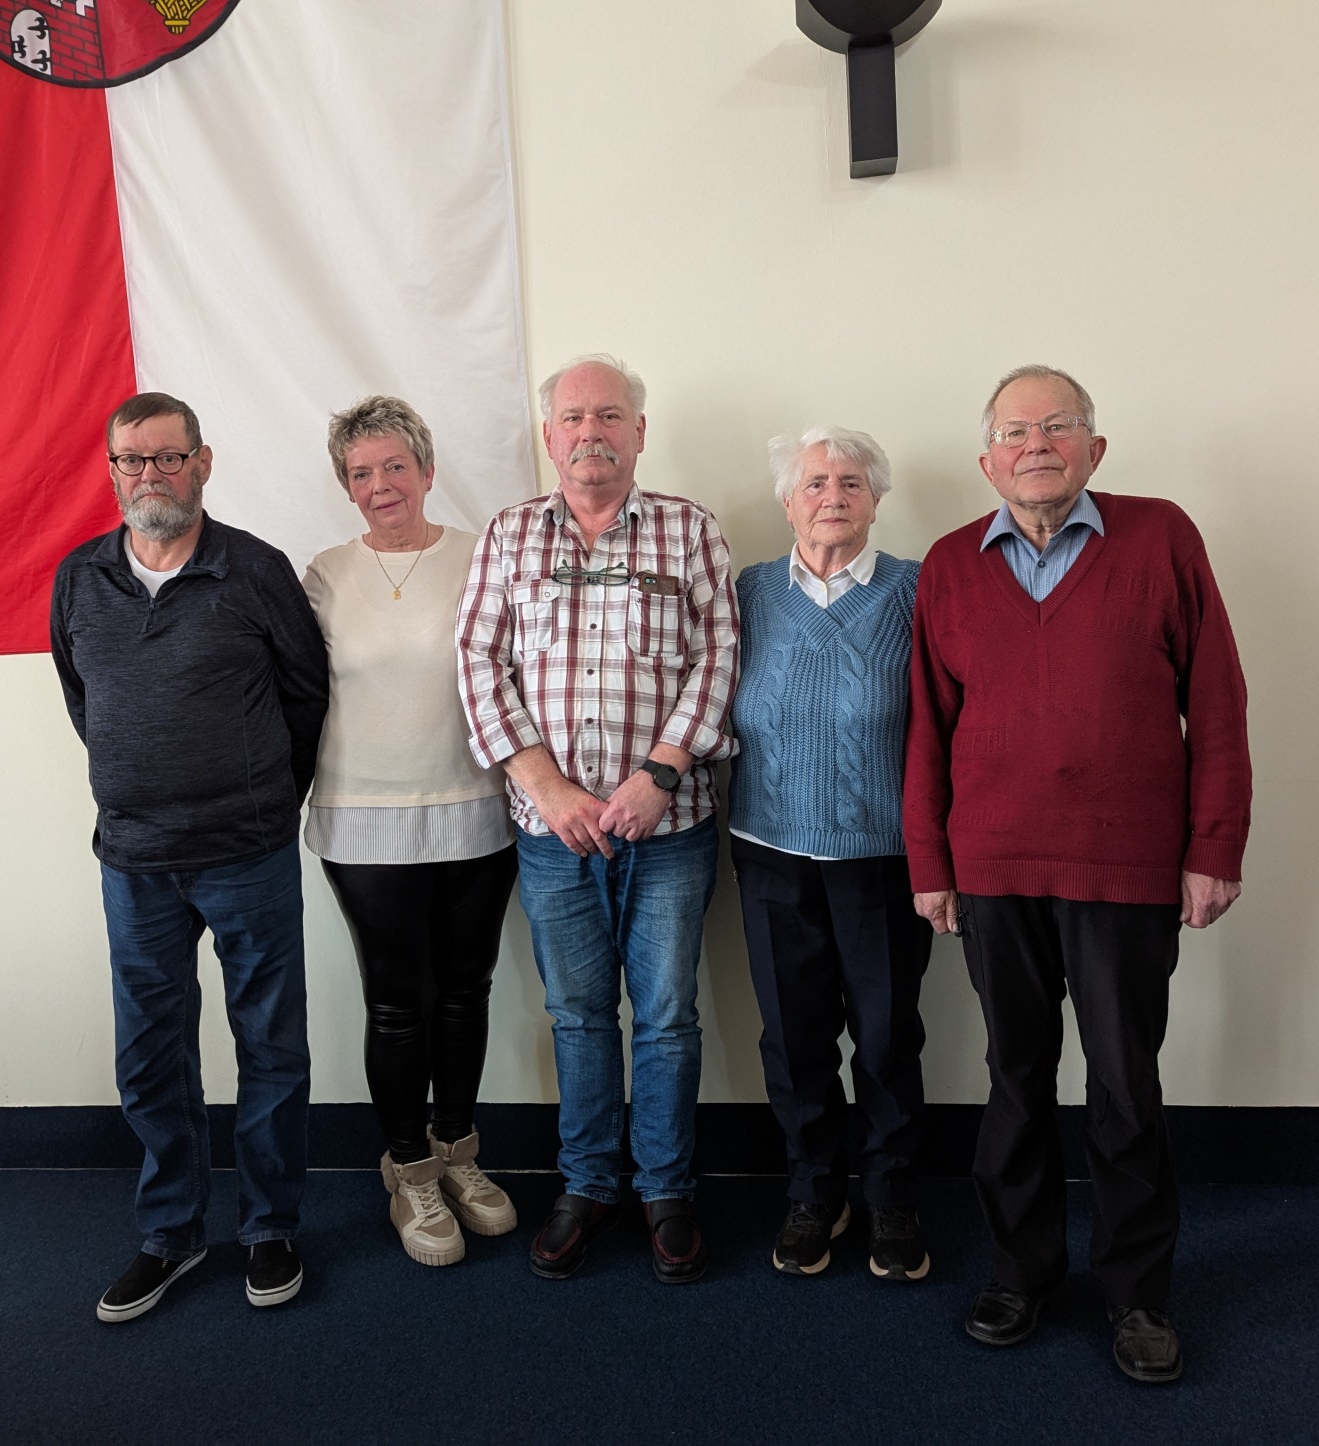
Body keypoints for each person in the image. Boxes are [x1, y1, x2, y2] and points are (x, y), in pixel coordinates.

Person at [903, 365, 1250, 1383]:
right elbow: (928, 727)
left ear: (1095, 448)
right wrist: (931, 861)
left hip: (1127, 867)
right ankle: (1021, 1271)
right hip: (996, 866)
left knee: (1124, 1086)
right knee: (1014, 1082)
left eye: (1060, 425)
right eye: (1017, 430)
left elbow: (1219, 703)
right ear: (987, 460)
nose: (1038, 444)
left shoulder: (1162, 537)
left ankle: (1137, 1295)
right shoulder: (951, 564)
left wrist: (1214, 845)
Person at [457, 353, 738, 1284]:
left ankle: (666, 1191)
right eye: (573, 418)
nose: (591, 434)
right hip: (553, 834)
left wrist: (659, 774)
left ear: (640, 432)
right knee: (577, 1017)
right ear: (548, 437)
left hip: (670, 826)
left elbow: (720, 659)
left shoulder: (689, 532)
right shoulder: (507, 536)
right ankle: (585, 1183)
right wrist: (546, 785)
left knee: (663, 1018)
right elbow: (477, 663)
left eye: (610, 416)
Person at [51, 392, 328, 1323]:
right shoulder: (80, 578)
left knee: (271, 1047)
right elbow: (81, 697)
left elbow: (305, 698)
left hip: (246, 855)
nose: (149, 476)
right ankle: (169, 1235)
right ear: (113, 471)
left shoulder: (255, 571)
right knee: (149, 1054)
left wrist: (262, 802)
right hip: (133, 861)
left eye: (168, 458)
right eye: (131, 461)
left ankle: (269, 1226)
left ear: (203, 464)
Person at [303, 395, 520, 1268]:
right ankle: (411, 1169)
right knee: (398, 1004)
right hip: (362, 819)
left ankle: (460, 1149)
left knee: (467, 991)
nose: (381, 484)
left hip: (476, 807)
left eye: (396, 466)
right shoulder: (322, 573)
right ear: (347, 489)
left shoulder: (484, 556)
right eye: (362, 473)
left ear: (428, 472)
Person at [728, 426, 932, 1281]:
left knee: (885, 1038)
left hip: (881, 856)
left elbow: (944, 723)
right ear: (788, 500)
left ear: (877, 500)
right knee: (794, 1036)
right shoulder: (748, 592)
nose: (832, 496)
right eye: (814, 482)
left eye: (852, 482)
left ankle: (891, 1197)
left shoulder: (916, 592)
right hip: (769, 848)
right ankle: (816, 1191)